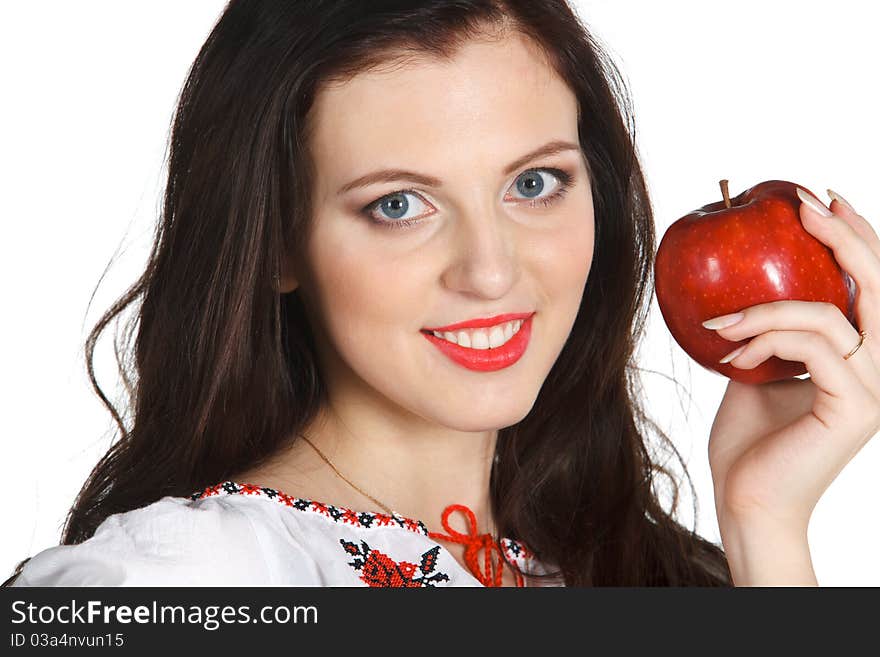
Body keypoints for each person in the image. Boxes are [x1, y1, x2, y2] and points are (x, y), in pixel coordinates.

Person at [6, 0, 878, 588]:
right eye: (398, 205)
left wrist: (765, 527)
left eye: (534, 184)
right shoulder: (173, 579)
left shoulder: (623, 568)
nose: (492, 270)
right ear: (276, 239)